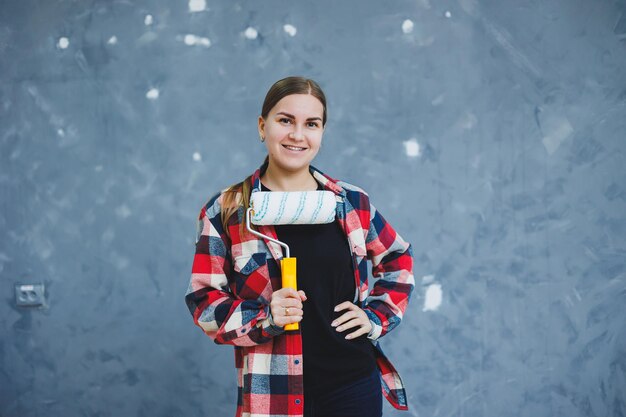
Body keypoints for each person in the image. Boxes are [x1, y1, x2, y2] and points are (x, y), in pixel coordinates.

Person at [185, 76, 415, 417]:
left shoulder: (351, 202)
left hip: (352, 385)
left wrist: (374, 318)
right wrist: (265, 316)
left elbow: (397, 259)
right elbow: (204, 302)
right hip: (272, 393)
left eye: (311, 124)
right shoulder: (228, 210)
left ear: (321, 133)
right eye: (285, 121)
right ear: (263, 127)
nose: (297, 135)